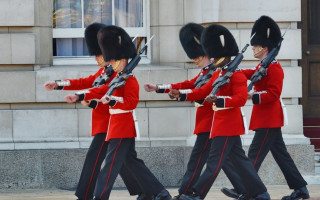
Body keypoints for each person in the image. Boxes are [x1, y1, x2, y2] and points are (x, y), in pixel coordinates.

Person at [44, 23, 148, 200]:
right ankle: (148, 190)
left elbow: (100, 92)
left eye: (100, 54)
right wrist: (59, 84)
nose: (97, 58)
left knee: (99, 158)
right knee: (125, 161)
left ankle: (85, 194)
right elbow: (86, 82)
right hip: (106, 122)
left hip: (111, 123)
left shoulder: (119, 73)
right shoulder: (105, 71)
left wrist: (80, 96)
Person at [144, 22, 245, 200]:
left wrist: (181, 94)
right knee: (225, 160)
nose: (195, 60)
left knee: (203, 160)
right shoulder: (206, 72)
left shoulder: (218, 72)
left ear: (207, 55)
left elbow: (199, 92)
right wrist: (159, 88)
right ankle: (244, 189)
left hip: (213, 121)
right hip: (208, 122)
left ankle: (189, 192)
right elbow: (188, 85)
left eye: (198, 57)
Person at [169, 24, 271, 200]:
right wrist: (181, 95)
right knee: (242, 162)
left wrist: (220, 100)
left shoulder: (236, 75)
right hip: (221, 124)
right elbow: (202, 92)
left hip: (228, 125)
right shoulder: (218, 74)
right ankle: (260, 192)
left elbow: (240, 99)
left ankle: (198, 194)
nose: (213, 58)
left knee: (213, 163)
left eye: (216, 56)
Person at [220, 15, 310, 200]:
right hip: (265, 118)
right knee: (281, 156)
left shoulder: (274, 68)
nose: (253, 47)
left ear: (264, 46)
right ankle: (300, 188)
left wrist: (253, 95)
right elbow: (249, 73)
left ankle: (244, 188)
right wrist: (231, 70)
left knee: (253, 155)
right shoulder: (262, 65)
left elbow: (274, 94)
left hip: (269, 118)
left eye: (255, 45)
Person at [79, 25, 171, 200]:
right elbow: (101, 91)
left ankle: (99, 196)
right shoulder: (115, 77)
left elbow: (131, 103)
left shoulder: (129, 80)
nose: (110, 63)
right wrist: (85, 97)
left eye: (113, 60)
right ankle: (158, 192)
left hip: (123, 128)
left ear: (122, 60)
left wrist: (111, 100)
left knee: (110, 166)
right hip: (116, 127)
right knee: (131, 162)